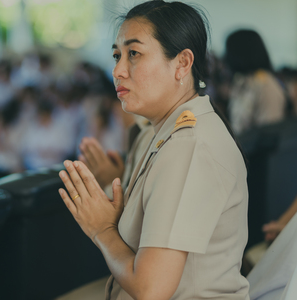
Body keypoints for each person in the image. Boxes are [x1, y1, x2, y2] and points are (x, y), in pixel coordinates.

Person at [58, 1, 249, 299]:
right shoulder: (165, 133)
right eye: (116, 55)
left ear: (183, 63)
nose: (118, 71)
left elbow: (151, 288)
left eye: (134, 54)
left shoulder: (189, 145)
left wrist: (102, 230)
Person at [225, 29, 286, 135]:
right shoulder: (245, 81)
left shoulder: (264, 83)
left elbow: (271, 129)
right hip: (247, 147)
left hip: (258, 149)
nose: (225, 56)